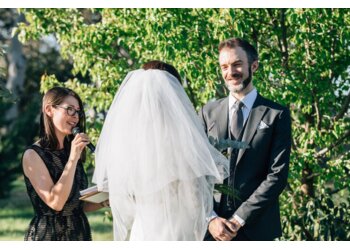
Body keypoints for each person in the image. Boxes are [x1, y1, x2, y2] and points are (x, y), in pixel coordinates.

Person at [92, 66, 229, 240]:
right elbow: (194, 196)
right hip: (177, 230)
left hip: (143, 228)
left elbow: (125, 195)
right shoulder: (178, 136)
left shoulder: (130, 136)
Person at [199, 38, 291, 241]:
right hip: (211, 232)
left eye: (237, 64)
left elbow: (277, 176)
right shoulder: (207, 113)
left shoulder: (277, 114)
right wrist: (210, 218)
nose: (230, 72)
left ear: (254, 65)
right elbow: (197, 172)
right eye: (224, 66)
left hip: (257, 230)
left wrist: (239, 219)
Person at [22, 87, 106, 241]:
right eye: (69, 109)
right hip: (49, 236)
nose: (76, 117)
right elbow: (56, 203)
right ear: (49, 110)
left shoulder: (71, 151)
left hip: (79, 234)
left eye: (78, 111)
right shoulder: (33, 155)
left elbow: (74, 205)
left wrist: (103, 201)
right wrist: (73, 159)